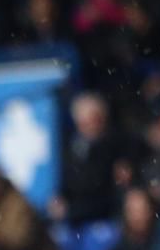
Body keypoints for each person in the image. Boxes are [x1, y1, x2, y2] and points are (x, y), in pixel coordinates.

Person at [53, 92, 138, 226]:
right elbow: (66, 183)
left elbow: (108, 192)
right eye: (83, 122)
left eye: (93, 119)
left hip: (105, 219)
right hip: (74, 220)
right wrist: (60, 200)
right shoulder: (71, 148)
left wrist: (72, 210)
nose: (89, 125)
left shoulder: (118, 146)